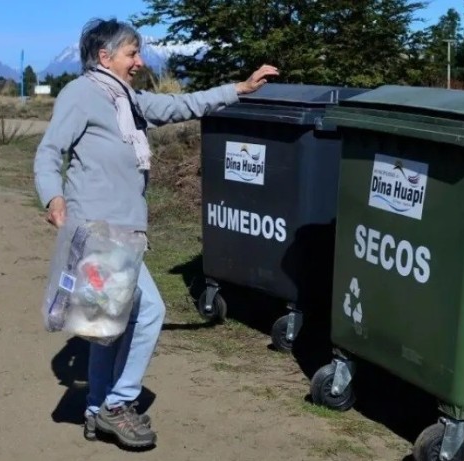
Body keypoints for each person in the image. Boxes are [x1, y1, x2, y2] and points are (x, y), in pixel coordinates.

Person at [33, 17, 279, 448]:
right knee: (148, 313)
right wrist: (54, 198)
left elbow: (178, 106)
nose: (140, 61)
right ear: (105, 57)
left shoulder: (126, 99)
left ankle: (96, 410)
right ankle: (116, 405)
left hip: (125, 232)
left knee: (109, 322)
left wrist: (237, 89)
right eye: (132, 53)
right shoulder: (82, 94)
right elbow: (50, 152)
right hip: (98, 232)